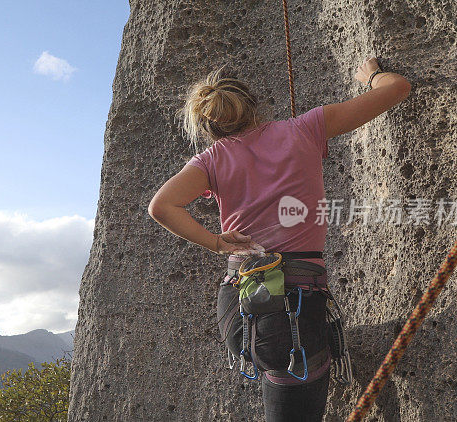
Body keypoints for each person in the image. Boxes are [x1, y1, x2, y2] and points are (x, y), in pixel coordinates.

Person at [147, 58, 411, 421]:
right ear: (254, 106)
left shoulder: (210, 160)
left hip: (242, 294)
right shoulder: (306, 128)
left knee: (278, 378)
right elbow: (397, 88)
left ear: (209, 127)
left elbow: (162, 206)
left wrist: (218, 243)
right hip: (296, 298)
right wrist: (373, 76)